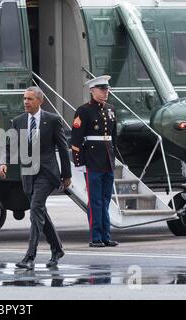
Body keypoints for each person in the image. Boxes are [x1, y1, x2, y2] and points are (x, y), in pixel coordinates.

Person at [0, 87, 72, 270]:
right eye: (24, 98)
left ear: (40, 101)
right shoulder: (18, 121)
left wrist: (67, 175)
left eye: (30, 99)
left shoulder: (52, 120)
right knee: (40, 212)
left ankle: (29, 257)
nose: (26, 102)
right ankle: (57, 250)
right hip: (28, 175)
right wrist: (3, 162)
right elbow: (9, 146)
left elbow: (63, 149)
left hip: (47, 174)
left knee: (35, 209)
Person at [70, 75, 119, 248]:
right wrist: (79, 163)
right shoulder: (84, 110)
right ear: (92, 91)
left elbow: (113, 137)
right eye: (101, 89)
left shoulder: (111, 109)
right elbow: (76, 139)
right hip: (92, 160)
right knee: (95, 200)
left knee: (106, 199)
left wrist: (115, 158)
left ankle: (106, 236)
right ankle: (96, 237)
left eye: (106, 89)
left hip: (107, 159)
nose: (105, 92)